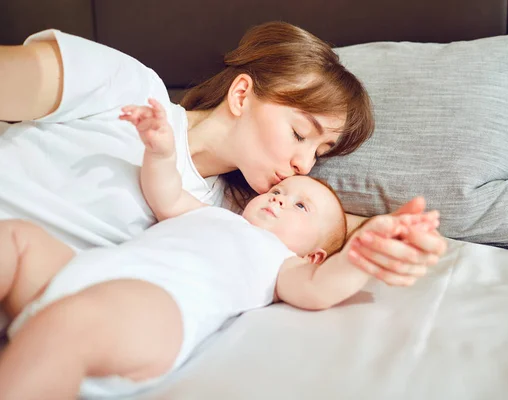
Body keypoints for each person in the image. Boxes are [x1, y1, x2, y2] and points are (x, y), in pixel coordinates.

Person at [0, 98, 441, 399]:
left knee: (69, 325)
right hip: (83, 272)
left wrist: (362, 253)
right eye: (283, 190)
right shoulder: (210, 213)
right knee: (16, 238)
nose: (280, 197)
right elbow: (166, 192)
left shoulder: (283, 265)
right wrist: (158, 150)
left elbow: (320, 289)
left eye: (300, 205)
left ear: (314, 255)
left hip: (154, 311)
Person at [0, 21, 446, 289]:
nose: (305, 165)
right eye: (298, 133)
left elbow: (326, 228)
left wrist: (396, 232)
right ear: (241, 93)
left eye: (319, 151)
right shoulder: (128, 87)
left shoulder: (232, 219)